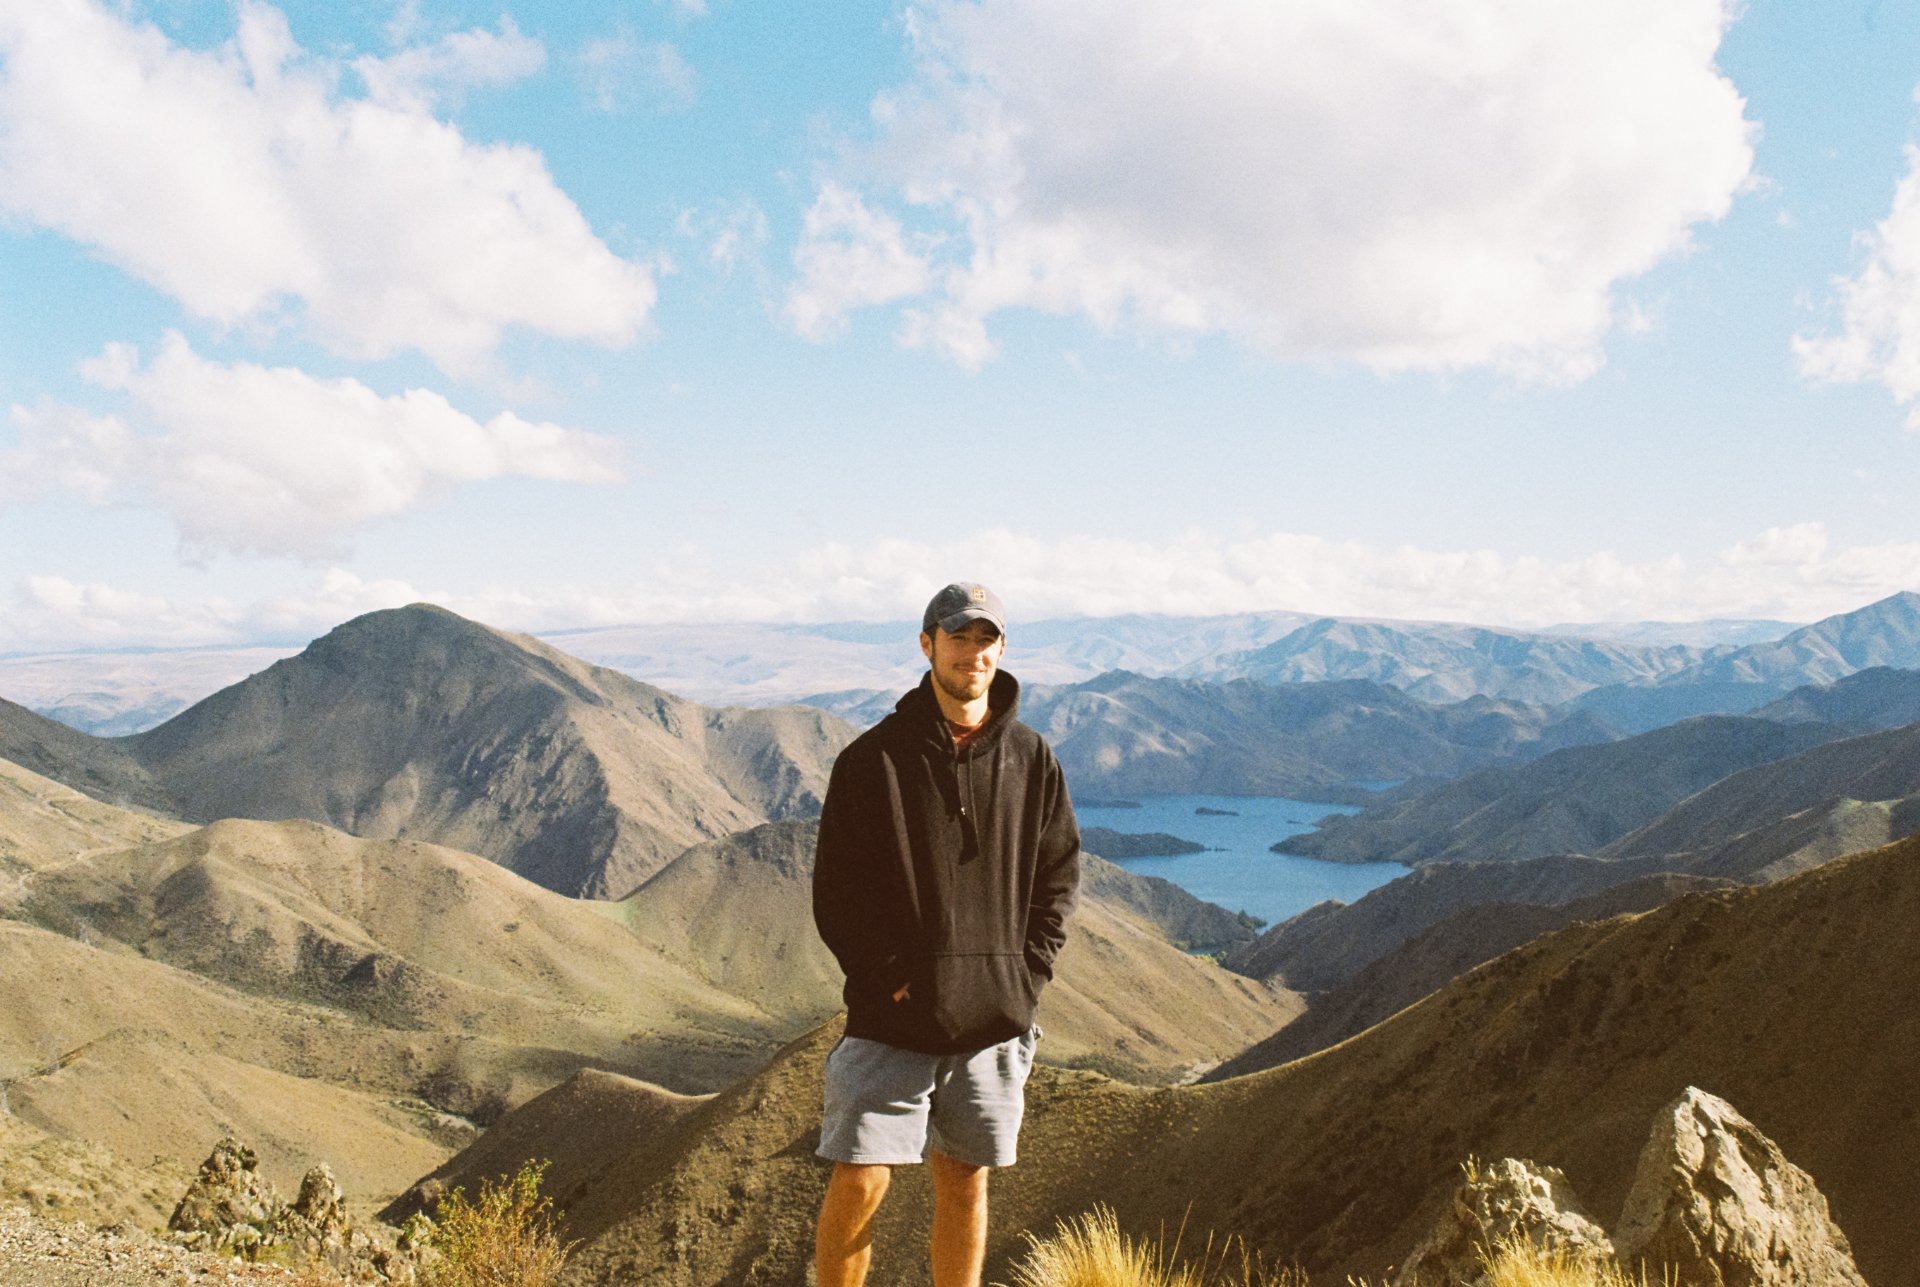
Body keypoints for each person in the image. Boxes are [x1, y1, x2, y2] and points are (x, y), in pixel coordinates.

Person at [811, 581, 1082, 1287]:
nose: (973, 652)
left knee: (965, 1180)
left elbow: (1058, 877)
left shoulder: (1032, 758)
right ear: (927, 644)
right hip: (891, 1016)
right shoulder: (873, 759)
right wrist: (892, 978)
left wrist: (1023, 978)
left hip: (992, 1018)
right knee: (860, 1177)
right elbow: (837, 891)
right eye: (958, 637)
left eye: (986, 638)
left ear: (1003, 649)